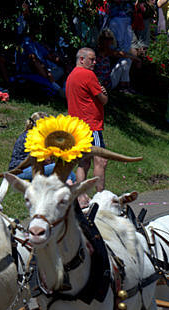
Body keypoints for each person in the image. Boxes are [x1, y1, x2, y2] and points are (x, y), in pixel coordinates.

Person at [67, 47, 109, 204]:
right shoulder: (88, 75)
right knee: (101, 159)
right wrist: (104, 93)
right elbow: (103, 99)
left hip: (77, 126)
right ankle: (101, 196)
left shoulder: (71, 76)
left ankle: (80, 195)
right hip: (91, 125)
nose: (95, 62)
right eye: (92, 59)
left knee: (83, 161)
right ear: (81, 59)